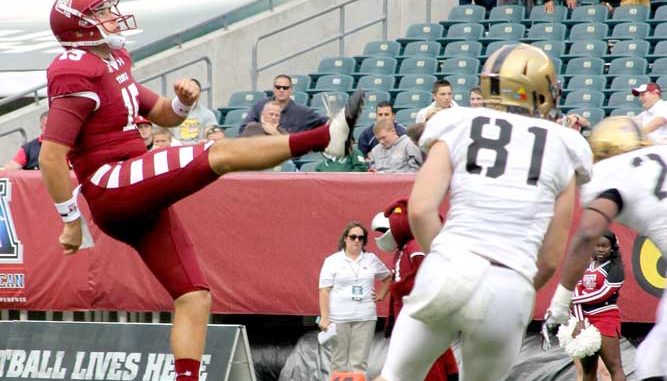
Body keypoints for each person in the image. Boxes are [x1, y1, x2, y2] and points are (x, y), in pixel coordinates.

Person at [42, 2, 364, 381]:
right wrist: (70, 220)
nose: (113, 16)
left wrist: (184, 99)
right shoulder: (74, 69)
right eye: (100, 13)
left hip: (134, 185)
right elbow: (51, 155)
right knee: (219, 152)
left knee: (193, 296)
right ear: (81, 29)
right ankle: (327, 137)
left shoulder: (112, 61)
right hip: (110, 182)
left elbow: (164, 113)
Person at [373, 43, 593, 381]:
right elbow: (550, 258)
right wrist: (513, 284)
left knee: (397, 376)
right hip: (510, 281)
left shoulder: (457, 122)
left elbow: (419, 209)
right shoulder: (566, 144)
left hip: (450, 264)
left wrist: (445, 256)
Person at [544, 116, 666, 381]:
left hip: (602, 319)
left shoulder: (612, 171)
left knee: (651, 360)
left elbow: (588, 232)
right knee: (653, 357)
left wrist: (560, 303)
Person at [372, 198, 459, 381]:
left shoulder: (415, 246)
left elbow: (423, 274)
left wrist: (400, 288)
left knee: (423, 357)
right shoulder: (403, 248)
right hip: (409, 313)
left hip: (418, 313)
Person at [318, 222, 392, 376]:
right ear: (345, 238)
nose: (357, 240)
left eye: (361, 238)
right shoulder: (332, 260)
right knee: (338, 361)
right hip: (338, 318)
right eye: (353, 237)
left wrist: (381, 294)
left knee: (359, 362)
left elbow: (388, 277)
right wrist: (325, 317)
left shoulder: (371, 259)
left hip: (365, 316)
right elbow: (324, 290)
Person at [569, 230, 626, 381]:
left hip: (605, 318)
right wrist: (580, 321)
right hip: (586, 321)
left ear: (612, 248)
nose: (600, 249)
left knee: (613, 367)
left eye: (605, 246)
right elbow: (576, 289)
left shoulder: (615, 268)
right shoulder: (587, 266)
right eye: (597, 245)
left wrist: (577, 299)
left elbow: (603, 294)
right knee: (587, 370)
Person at [239, 74, 328, 134]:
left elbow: (326, 122)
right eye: (278, 87)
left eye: (285, 88)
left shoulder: (302, 112)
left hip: (288, 157)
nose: (281, 90)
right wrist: (264, 129)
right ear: (273, 89)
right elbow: (243, 130)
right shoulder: (260, 106)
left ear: (290, 90)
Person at [173, 78, 218, 144]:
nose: (190, 96)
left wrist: (208, 138)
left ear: (199, 94)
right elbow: (164, 133)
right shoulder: (170, 112)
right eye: (187, 92)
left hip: (198, 149)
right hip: (175, 149)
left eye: (193, 93)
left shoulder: (207, 114)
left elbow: (211, 133)